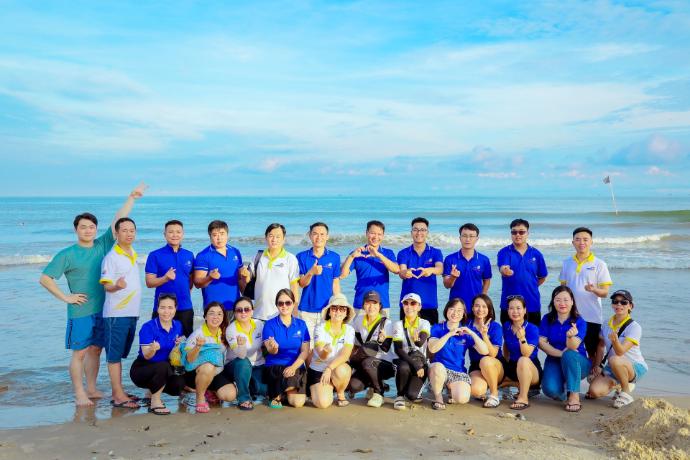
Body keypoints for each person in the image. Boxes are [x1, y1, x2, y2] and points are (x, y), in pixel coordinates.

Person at [39, 183, 146, 406]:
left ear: (96, 229)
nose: (88, 231)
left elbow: (118, 221)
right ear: (76, 230)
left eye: (91, 227)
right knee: (79, 352)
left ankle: (92, 389)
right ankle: (80, 394)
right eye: (83, 227)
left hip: (104, 310)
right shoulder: (67, 254)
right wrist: (66, 297)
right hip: (81, 311)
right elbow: (45, 278)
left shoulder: (101, 245)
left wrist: (132, 198)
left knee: (96, 350)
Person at [100, 217, 143, 409]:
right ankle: (118, 396)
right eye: (124, 230)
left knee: (121, 353)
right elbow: (107, 285)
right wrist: (117, 286)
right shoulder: (111, 257)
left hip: (131, 313)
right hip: (116, 314)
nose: (129, 234)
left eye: (132, 230)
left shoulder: (132, 252)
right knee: (114, 355)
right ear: (116, 233)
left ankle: (119, 391)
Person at [587, 290, 648, 408]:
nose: (619, 305)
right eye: (615, 301)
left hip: (634, 366)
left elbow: (620, 352)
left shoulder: (634, 327)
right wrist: (598, 366)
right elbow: (601, 346)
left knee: (615, 359)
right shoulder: (606, 323)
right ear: (612, 304)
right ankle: (619, 385)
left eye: (623, 302)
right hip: (613, 366)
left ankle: (626, 393)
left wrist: (615, 341)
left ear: (630, 306)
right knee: (594, 391)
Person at [559, 227, 612, 362]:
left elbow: (605, 293)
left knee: (592, 352)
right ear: (573, 242)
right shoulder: (567, 263)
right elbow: (563, 290)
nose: (581, 242)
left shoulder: (599, 264)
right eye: (577, 239)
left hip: (592, 316)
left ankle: (594, 374)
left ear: (591, 242)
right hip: (571, 316)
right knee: (570, 349)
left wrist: (594, 290)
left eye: (585, 239)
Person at [129, 293, 185, 415]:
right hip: (142, 369)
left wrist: (180, 343)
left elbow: (179, 344)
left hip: (164, 367)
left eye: (170, 307)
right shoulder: (148, 327)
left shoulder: (178, 325)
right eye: (162, 307)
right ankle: (155, 401)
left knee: (178, 384)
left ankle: (150, 393)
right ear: (157, 308)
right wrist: (152, 349)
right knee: (163, 366)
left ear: (175, 309)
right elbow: (146, 355)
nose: (166, 312)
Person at [428, 298, 488, 410]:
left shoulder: (465, 331)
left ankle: (450, 388)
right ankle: (438, 398)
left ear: (463, 313)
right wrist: (449, 334)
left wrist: (472, 333)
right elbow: (432, 348)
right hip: (439, 370)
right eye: (452, 309)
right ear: (446, 310)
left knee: (462, 399)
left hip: (458, 372)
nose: (455, 313)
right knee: (437, 367)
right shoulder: (438, 328)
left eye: (459, 310)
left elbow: (484, 351)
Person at [538, 286, 591, 412]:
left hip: (577, 362)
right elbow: (541, 342)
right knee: (550, 390)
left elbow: (573, 347)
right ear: (553, 302)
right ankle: (565, 390)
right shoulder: (547, 319)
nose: (562, 303)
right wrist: (560, 353)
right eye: (558, 300)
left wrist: (570, 337)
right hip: (554, 359)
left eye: (566, 300)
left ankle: (574, 395)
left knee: (570, 354)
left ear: (572, 301)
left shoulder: (579, 321)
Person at [183, 302, 237, 414]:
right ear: (205, 316)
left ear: (223, 317)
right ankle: (200, 398)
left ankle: (210, 390)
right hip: (197, 373)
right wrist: (197, 346)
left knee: (230, 395)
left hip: (216, 373)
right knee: (208, 366)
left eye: (219, 314)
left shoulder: (224, 333)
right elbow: (189, 360)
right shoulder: (198, 334)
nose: (215, 317)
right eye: (211, 313)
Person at [145, 220, 195, 337]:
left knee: (186, 344)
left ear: (183, 234)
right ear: (165, 234)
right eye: (171, 232)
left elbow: (191, 280)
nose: (175, 235)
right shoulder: (155, 255)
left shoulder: (189, 255)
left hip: (185, 307)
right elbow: (149, 282)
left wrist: (185, 293)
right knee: (159, 343)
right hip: (162, 309)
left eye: (178, 232)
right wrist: (165, 278)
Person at [262, 289, 310, 409]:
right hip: (275, 366)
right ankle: (278, 393)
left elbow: (305, 351)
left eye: (288, 303)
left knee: (297, 403)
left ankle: (280, 393)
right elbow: (271, 351)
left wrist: (293, 367)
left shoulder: (301, 324)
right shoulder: (269, 324)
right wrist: (274, 347)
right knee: (288, 383)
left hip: (296, 365)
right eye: (280, 303)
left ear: (293, 304)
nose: (284, 306)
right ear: (277, 305)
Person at [348, 290, 396, 408]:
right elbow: (354, 340)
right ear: (363, 305)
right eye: (368, 303)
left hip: (386, 364)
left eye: (375, 303)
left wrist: (381, 341)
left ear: (380, 306)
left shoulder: (387, 323)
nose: (371, 307)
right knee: (353, 386)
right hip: (366, 361)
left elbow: (385, 348)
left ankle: (379, 393)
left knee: (368, 361)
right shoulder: (359, 320)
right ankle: (377, 384)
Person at [341, 220, 399, 316]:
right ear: (366, 233)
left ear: (383, 236)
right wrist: (351, 257)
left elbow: (396, 270)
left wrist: (379, 255)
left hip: (382, 304)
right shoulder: (357, 253)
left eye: (379, 234)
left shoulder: (388, 253)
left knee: (383, 326)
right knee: (359, 327)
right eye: (372, 233)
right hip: (361, 304)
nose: (376, 237)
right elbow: (342, 275)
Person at [308, 293, 356, 408]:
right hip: (319, 368)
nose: (338, 312)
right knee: (322, 404)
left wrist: (329, 368)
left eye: (342, 309)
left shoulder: (349, 330)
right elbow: (322, 356)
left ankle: (340, 393)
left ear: (346, 313)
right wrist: (325, 351)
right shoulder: (320, 328)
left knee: (343, 370)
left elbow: (345, 355)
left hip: (335, 369)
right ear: (329, 312)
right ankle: (323, 388)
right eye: (334, 308)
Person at [297, 222, 341, 344]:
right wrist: (311, 272)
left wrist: (338, 304)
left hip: (327, 309)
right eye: (315, 234)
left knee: (327, 344)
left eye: (322, 234)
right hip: (306, 309)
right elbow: (301, 284)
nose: (319, 237)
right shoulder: (301, 257)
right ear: (310, 235)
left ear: (327, 236)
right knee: (307, 345)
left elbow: (335, 283)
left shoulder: (334, 257)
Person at [497, 219, 548, 325]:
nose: (517, 235)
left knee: (533, 334)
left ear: (527, 233)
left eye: (521, 232)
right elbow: (502, 268)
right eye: (514, 232)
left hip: (532, 303)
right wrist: (504, 270)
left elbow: (542, 276)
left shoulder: (536, 254)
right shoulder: (504, 252)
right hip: (509, 304)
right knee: (508, 334)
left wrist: (531, 285)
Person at [223, 296, 267, 411]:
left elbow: (266, 345)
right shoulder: (231, 330)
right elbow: (241, 356)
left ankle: (248, 385)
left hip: (257, 365)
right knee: (243, 362)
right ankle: (244, 398)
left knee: (263, 389)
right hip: (236, 366)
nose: (243, 312)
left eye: (247, 309)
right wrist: (241, 345)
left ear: (252, 311)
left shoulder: (259, 324)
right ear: (235, 313)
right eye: (239, 310)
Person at [397, 217, 443, 324]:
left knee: (429, 334)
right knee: (405, 334)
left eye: (422, 230)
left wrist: (430, 270)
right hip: (408, 305)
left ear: (427, 232)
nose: (419, 233)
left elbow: (440, 269)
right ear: (411, 232)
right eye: (415, 230)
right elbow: (401, 272)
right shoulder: (403, 253)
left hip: (429, 304)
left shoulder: (435, 252)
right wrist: (406, 272)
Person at [250, 223, 300, 321]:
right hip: (258, 314)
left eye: (278, 237)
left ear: (283, 239)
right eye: (271, 236)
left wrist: (295, 308)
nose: (274, 239)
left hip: (281, 314)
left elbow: (294, 286)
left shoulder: (290, 258)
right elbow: (248, 279)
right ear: (266, 238)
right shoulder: (257, 257)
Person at [193, 220, 245, 313]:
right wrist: (210, 277)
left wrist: (246, 299)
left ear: (227, 235)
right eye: (215, 235)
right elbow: (197, 283)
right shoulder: (203, 255)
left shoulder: (235, 251)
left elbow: (240, 279)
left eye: (222, 234)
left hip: (235, 307)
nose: (219, 238)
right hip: (213, 309)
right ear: (210, 237)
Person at [501, 295, 542, 410]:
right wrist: (505, 362)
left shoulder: (532, 328)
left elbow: (527, 354)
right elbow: (506, 345)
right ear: (508, 311)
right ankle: (514, 383)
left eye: (518, 308)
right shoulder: (506, 326)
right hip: (513, 365)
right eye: (511, 308)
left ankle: (523, 397)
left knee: (523, 360)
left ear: (524, 310)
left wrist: (522, 338)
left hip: (530, 367)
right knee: (496, 378)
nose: (515, 312)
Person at [392, 293, 431, 410]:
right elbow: (398, 349)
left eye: (413, 303)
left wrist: (416, 339)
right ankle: (399, 396)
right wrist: (415, 365)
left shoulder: (424, 323)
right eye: (406, 303)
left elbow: (420, 343)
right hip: (405, 360)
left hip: (420, 362)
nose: (409, 306)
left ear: (419, 307)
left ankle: (412, 388)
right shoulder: (398, 325)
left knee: (412, 396)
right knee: (403, 367)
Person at [443, 223, 492, 315]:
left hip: (476, 308)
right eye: (464, 236)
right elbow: (447, 285)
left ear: (477, 239)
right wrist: (453, 277)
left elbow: (487, 280)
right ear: (460, 238)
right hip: (456, 308)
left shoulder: (484, 260)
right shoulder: (450, 259)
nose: (468, 239)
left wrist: (483, 297)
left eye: (471, 236)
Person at [467, 294, 504, 408]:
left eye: (484, 306)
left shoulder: (495, 327)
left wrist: (484, 335)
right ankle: (485, 387)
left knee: (486, 360)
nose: (480, 309)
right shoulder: (467, 325)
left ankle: (494, 395)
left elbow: (493, 354)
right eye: (477, 306)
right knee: (476, 391)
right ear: (472, 308)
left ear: (489, 309)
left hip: (494, 365)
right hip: (476, 365)